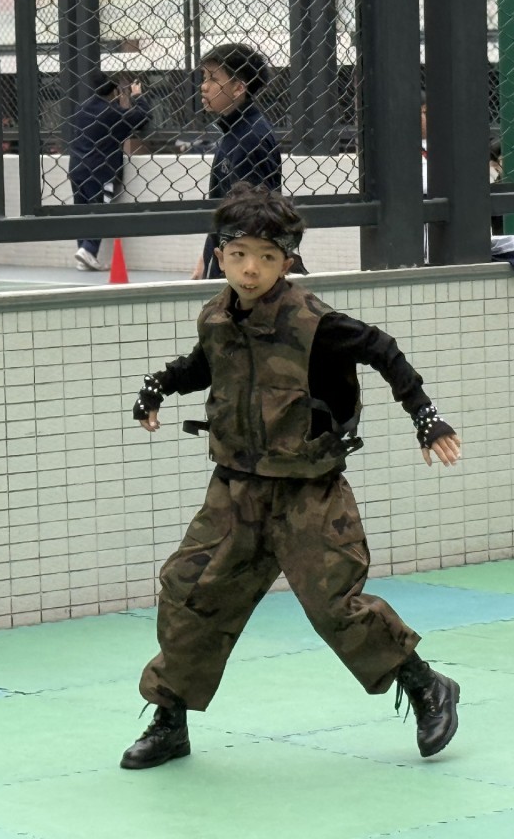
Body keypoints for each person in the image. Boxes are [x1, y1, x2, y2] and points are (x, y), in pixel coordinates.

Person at [123, 183, 463, 770]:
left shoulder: (315, 324)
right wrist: (159, 385)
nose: (250, 269)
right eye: (238, 255)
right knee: (189, 590)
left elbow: (383, 350)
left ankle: (425, 685)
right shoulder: (217, 316)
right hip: (235, 490)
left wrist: (425, 416)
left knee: (336, 606)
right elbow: (205, 365)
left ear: (287, 261)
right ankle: (170, 720)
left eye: (266, 257)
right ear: (220, 255)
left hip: (308, 493)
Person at [189, 43, 282, 281]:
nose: (204, 86)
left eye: (213, 78)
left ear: (239, 87)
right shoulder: (234, 132)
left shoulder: (251, 138)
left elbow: (252, 219)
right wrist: (206, 257)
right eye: (204, 77)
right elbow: (224, 207)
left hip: (242, 270)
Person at [68, 73, 152, 271]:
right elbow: (143, 117)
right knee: (100, 210)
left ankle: (84, 252)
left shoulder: (82, 109)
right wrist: (137, 96)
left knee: (82, 211)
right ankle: (88, 249)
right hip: (99, 171)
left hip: (77, 168)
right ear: (115, 92)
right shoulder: (111, 113)